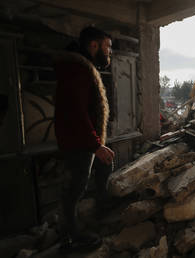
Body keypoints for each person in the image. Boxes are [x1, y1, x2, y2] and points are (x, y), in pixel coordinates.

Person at [54, 26, 114, 253]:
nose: (109, 52)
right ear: (94, 45)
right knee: (73, 191)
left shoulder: (80, 67)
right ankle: (71, 238)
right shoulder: (77, 70)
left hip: (83, 141)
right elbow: (76, 112)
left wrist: (96, 145)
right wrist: (95, 145)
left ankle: (101, 209)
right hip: (78, 143)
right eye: (107, 47)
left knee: (105, 165)